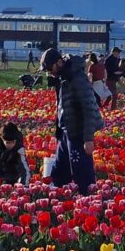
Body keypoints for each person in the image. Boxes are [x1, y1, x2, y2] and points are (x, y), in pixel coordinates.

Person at [41, 47, 101, 196]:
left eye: (50, 68)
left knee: (82, 173)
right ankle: (57, 202)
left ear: (60, 62)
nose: (49, 72)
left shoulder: (77, 77)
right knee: (59, 172)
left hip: (78, 133)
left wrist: (88, 139)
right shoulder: (64, 77)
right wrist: (58, 133)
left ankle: (90, 204)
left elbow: (89, 108)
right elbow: (62, 107)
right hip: (66, 132)